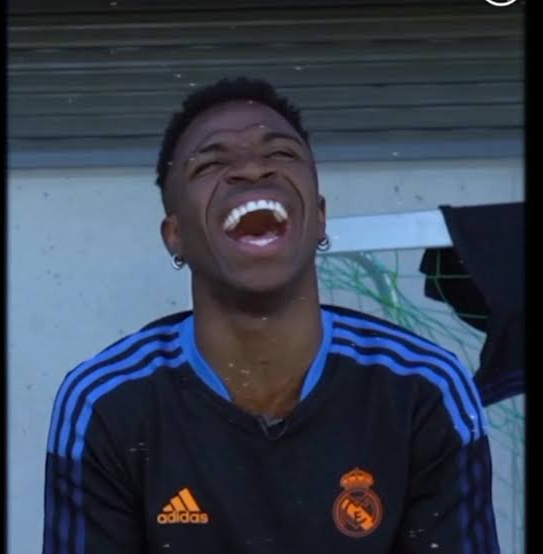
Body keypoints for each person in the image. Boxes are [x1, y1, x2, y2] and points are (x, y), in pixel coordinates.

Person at [43, 77, 500, 553]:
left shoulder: (423, 391)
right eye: (211, 163)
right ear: (174, 236)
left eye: (280, 153)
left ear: (319, 218)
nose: (251, 168)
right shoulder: (106, 403)